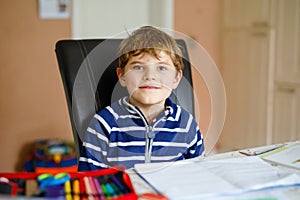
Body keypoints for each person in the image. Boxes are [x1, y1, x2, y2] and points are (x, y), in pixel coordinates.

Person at [78, 26, 205, 171]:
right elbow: (89, 182)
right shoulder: (103, 124)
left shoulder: (187, 124)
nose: (150, 76)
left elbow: (199, 176)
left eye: (162, 68)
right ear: (122, 76)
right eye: (138, 67)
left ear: (176, 78)